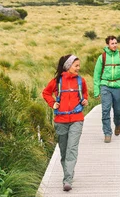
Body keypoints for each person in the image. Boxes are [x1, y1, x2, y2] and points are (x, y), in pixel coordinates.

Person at [42, 54, 89, 192]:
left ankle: (67, 180)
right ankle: (69, 173)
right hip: (60, 121)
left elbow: (85, 94)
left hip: (77, 119)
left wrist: (84, 100)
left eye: (79, 66)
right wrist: (53, 103)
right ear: (68, 66)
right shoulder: (56, 81)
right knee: (63, 151)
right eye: (76, 66)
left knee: (71, 149)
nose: (78, 68)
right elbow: (46, 93)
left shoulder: (81, 81)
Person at [93, 35, 120, 143]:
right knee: (105, 110)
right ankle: (107, 133)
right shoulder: (102, 57)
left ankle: (118, 124)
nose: (114, 45)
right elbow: (96, 75)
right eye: (112, 43)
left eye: (115, 43)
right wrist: (97, 91)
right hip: (105, 86)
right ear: (108, 45)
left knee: (118, 111)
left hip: (118, 87)